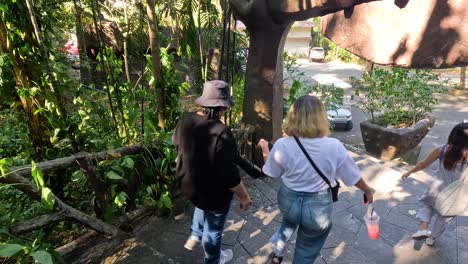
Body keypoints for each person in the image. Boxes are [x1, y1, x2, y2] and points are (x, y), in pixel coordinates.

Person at [257, 95, 374, 264]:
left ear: (293, 116)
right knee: (308, 247)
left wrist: (265, 149)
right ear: (321, 117)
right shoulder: (334, 146)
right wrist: (367, 190)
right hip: (318, 206)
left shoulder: (283, 144)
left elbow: (271, 172)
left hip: (288, 199)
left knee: (289, 222)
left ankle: (278, 251)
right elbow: (352, 176)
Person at [173, 80, 252, 264]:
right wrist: (244, 196)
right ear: (221, 108)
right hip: (213, 193)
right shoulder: (221, 132)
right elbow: (230, 175)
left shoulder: (185, 121)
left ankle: (195, 234)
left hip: (190, 184)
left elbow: (177, 144)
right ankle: (213, 260)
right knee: (214, 230)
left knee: (201, 205)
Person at [401, 122, 468, 246]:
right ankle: (432, 238)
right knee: (444, 217)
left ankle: (423, 228)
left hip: (436, 187)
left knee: (427, 205)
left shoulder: (441, 150)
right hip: (455, 195)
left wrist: (409, 172)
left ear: (452, 136)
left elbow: (423, 164)